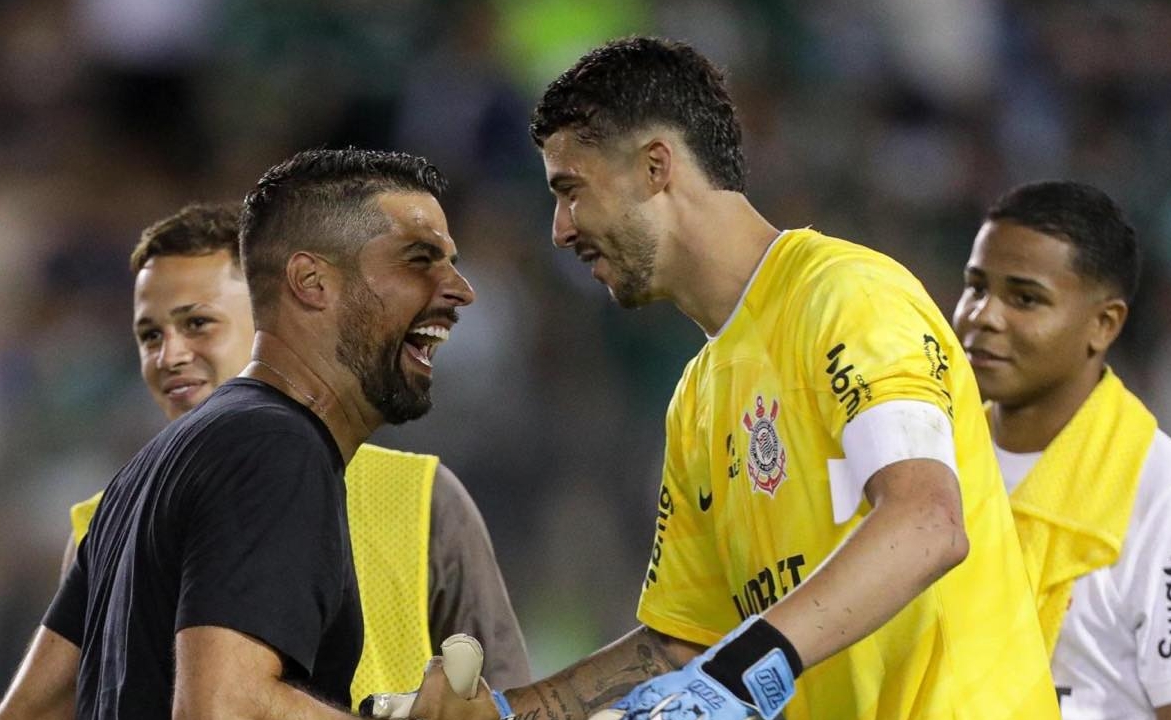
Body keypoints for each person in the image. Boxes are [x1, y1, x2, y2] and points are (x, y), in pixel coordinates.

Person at [396, 36, 1058, 720]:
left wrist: (742, 672)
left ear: (656, 167)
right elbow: (684, 647)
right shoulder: (698, 398)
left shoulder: (847, 297)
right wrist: (506, 714)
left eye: (571, 190)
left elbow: (926, 521)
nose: (560, 230)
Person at [0, 147, 478, 720]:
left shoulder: (148, 471)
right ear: (312, 282)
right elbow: (224, 707)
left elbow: (28, 713)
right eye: (419, 259)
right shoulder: (276, 449)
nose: (459, 289)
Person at [58, 201, 530, 699]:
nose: (169, 356)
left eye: (198, 324)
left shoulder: (420, 499)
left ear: (268, 320)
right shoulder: (104, 523)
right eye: (149, 335)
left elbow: (507, 702)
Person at [952, 181, 1171, 719]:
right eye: (976, 287)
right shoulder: (933, 465)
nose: (983, 316)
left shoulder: (1156, 495)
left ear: (1104, 324)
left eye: (1024, 298)